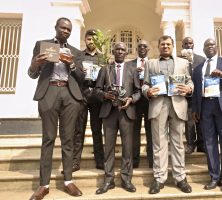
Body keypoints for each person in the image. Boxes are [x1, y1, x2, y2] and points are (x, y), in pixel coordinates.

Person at [28, 17, 84, 200]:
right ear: (56, 28)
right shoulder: (42, 45)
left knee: (68, 139)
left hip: (69, 95)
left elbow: (83, 78)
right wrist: (36, 63)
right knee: (48, 139)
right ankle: (43, 185)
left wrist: (72, 63)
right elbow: (32, 74)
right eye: (63, 28)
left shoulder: (75, 51)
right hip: (49, 91)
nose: (66, 31)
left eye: (68, 29)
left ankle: (68, 181)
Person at [142, 35, 193, 194]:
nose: (165, 46)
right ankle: (159, 178)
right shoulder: (151, 64)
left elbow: (189, 81)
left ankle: (180, 177)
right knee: (159, 143)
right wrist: (147, 91)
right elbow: (144, 84)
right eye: (162, 44)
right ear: (158, 46)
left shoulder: (183, 63)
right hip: (159, 104)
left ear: (172, 46)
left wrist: (189, 89)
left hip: (177, 104)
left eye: (168, 44)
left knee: (178, 143)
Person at [192, 38, 222, 193]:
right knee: (210, 144)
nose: (210, 47)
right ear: (204, 49)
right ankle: (214, 176)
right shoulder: (198, 68)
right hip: (205, 107)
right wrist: (195, 110)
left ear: (217, 47)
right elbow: (196, 92)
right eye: (207, 45)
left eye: (212, 44)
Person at [94, 42, 141, 194]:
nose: (120, 51)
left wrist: (131, 99)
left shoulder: (132, 70)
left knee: (128, 148)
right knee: (109, 148)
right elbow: (96, 90)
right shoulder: (105, 69)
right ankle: (108, 180)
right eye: (117, 49)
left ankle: (126, 179)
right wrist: (104, 95)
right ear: (113, 51)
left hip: (126, 112)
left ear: (126, 53)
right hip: (109, 112)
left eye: (123, 49)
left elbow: (138, 91)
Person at [72, 29, 104, 172]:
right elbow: (72, 75)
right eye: (89, 39)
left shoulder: (103, 58)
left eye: (94, 39)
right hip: (81, 95)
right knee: (78, 130)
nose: (91, 42)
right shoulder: (78, 56)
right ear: (85, 40)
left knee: (97, 130)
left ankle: (100, 161)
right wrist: (80, 72)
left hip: (97, 97)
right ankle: (75, 162)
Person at [129, 40, 153, 168]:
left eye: (145, 46)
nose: (142, 48)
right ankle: (135, 161)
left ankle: (152, 161)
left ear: (148, 49)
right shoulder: (130, 65)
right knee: (134, 131)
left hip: (150, 101)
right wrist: (135, 72)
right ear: (136, 49)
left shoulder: (154, 64)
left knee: (151, 131)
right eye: (140, 46)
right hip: (135, 101)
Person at [180, 37, 206, 154]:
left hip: (200, 96)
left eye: (190, 43)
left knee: (201, 120)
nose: (188, 45)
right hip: (186, 97)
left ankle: (201, 144)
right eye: (185, 44)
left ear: (193, 45)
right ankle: (190, 144)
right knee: (189, 122)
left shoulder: (202, 59)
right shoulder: (178, 60)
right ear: (182, 46)